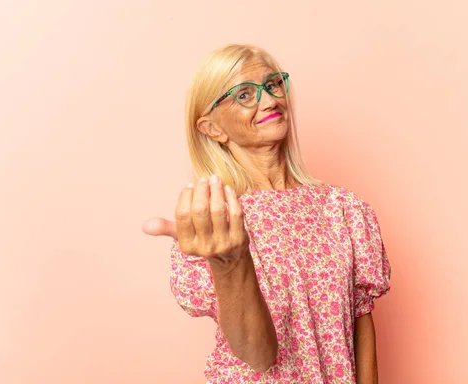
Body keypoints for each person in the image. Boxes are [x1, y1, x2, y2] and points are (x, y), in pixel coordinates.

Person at [143, 43, 391, 384]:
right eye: (244, 93)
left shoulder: (344, 210)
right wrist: (230, 263)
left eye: (273, 84)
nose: (270, 100)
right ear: (213, 128)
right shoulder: (216, 222)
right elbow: (257, 355)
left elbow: (362, 327)